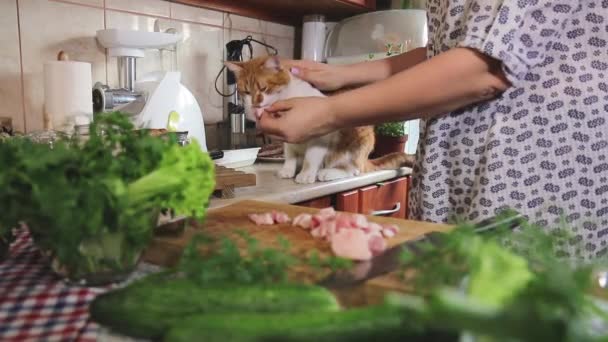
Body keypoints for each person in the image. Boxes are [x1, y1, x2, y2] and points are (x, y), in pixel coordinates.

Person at [257, 1, 608, 260]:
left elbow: (483, 69)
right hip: (464, 168)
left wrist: (330, 113)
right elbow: (449, 49)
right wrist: (338, 75)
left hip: (533, 167)